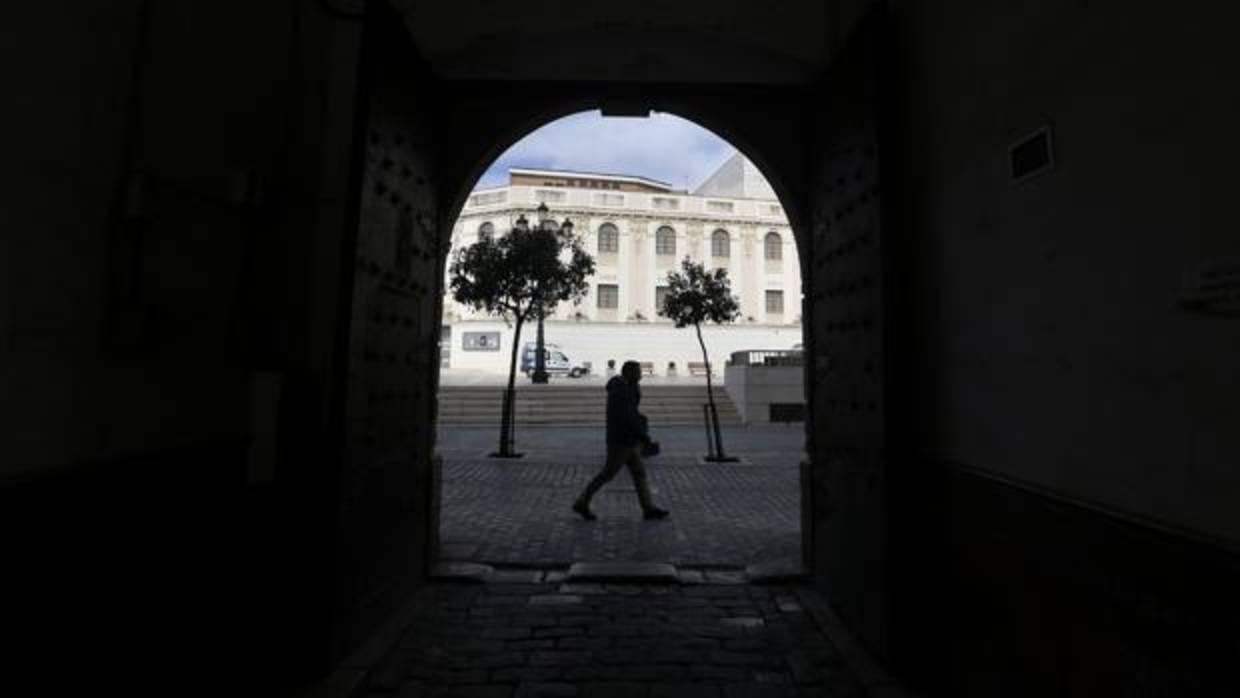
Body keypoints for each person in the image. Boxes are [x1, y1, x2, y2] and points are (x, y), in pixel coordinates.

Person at [572, 360, 670, 521]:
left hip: (626, 439)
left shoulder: (626, 388)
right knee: (607, 474)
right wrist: (644, 437)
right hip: (621, 440)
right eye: (638, 372)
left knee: (639, 473)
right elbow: (628, 417)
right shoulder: (621, 391)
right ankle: (582, 501)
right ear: (629, 373)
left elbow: (632, 413)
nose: (641, 375)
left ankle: (648, 508)